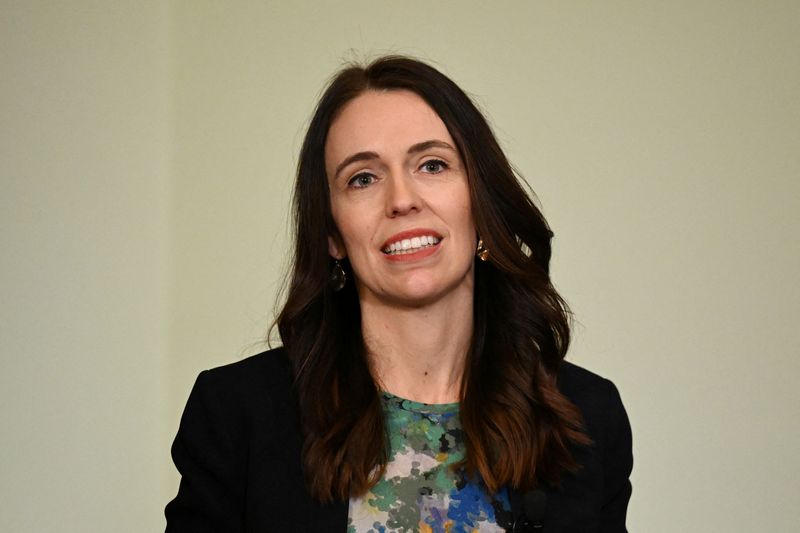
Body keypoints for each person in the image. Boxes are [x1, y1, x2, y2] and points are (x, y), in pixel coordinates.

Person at [165, 56, 633, 533]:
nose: (402, 200)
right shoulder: (236, 413)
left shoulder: (588, 417)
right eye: (362, 178)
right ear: (333, 234)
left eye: (432, 164)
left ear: (481, 201)